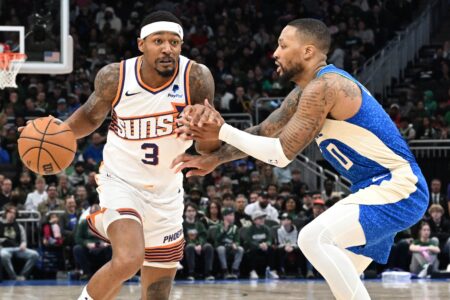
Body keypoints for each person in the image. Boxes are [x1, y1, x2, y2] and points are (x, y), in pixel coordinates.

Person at [172, 18, 429, 299]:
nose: (275, 53)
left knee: (312, 238)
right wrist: (217, 158)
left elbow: (280, 154)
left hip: (398, 186)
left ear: (308, 51)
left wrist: (221, 130)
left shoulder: (326, 87)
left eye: (283, 45)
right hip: (374, 188)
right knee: (345, 281)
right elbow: (263, 132)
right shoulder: (304, 93)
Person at [19, 11, 220, 300]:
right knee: (128, 259)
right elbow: (90, 116)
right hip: (121, 182)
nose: (167, 48)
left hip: (167, 192)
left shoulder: (197, 77)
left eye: (174, 42)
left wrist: (207, 131)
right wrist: (55, 133)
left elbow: (205, 148)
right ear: (141, 44)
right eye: (158, 41)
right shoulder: (116, 76)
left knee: (157, 292)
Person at [0, 205, 39, 280]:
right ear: (6, 213)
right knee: (4, 255)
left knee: (35, 254)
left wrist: (23, 244)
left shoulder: (19, 226)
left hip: (17, 248)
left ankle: (23, 275)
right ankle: (13, 276)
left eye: (14, 213)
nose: (12, 215)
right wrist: (4, 240)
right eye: (10, 212)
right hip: (3, 248)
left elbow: (24, 240)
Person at [213, 207, 243, 279]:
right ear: (224, 217)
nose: (232, 217)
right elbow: (216, 240)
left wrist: (236, 244)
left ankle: (234, 270)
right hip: (221, 247)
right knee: (221, 249)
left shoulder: (235, 228)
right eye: (230, 215)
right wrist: (224, 230)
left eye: (233, 215)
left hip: (231, 248)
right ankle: (225, 271)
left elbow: (237, 240)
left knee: (240, 249)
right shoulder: (219, 227)